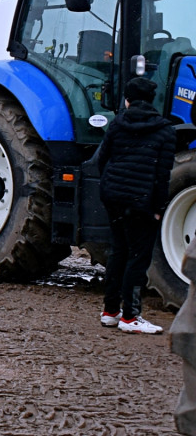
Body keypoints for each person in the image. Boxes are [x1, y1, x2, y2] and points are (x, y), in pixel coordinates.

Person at [96, 77, 176, 334]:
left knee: (118, 250)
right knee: (138, 257)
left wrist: (112, 187)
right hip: (141, 201)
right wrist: (158, 207)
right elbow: (163, 176)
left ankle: (110, 312)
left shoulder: (117, 124)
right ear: (153, 100)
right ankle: (130, 318)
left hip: (114, 197)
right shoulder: (165, 130)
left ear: (127, 100)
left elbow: (102, 160)